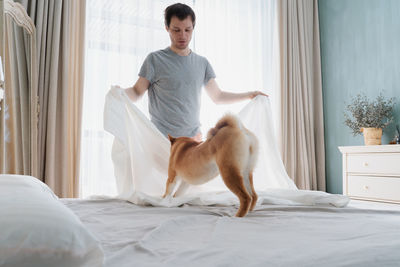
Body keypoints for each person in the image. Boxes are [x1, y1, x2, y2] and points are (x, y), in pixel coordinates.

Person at [123, 3, 267, 141]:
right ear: (167, 28)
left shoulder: (202, 63)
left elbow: (217, 96)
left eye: (187, 30)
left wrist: (249, 95)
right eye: (176, 30)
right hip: (162, 141)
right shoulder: (155, 59)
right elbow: (137, 92)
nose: (183, 35)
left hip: (193, 141)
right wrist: (119, 94)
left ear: (193, 28)